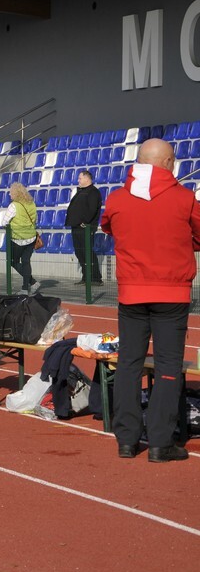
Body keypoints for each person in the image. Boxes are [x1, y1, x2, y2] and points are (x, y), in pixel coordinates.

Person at [101, 138, 200, 463]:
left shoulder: (116, 199)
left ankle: (126, 440)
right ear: (169, 162)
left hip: (132, 292)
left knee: (129, 363)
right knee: (169, 366)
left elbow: (108, 226)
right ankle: (160, 442)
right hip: (171, 293)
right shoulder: (185, 199)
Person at [65, 169, 103, 285]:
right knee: (79, 252)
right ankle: (86, 277)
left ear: (87, 178)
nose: (78, 180)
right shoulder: (80, 191)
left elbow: (91, 210)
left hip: (85, 227)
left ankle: (96, 278)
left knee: (87, 252)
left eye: (80, 178)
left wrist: (84, 222)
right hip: (76, 226)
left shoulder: (93, 192)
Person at [2, 181, 40, 295]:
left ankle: (31, 282)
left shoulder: (14, 205)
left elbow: (4, 222)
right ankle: (26, 287)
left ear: (15, 193)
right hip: (31, 237)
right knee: (26, 262)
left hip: (18, 238)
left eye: (10, 192)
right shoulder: (32, 203)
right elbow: (35, 219)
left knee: (13, 261)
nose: (9, 195)